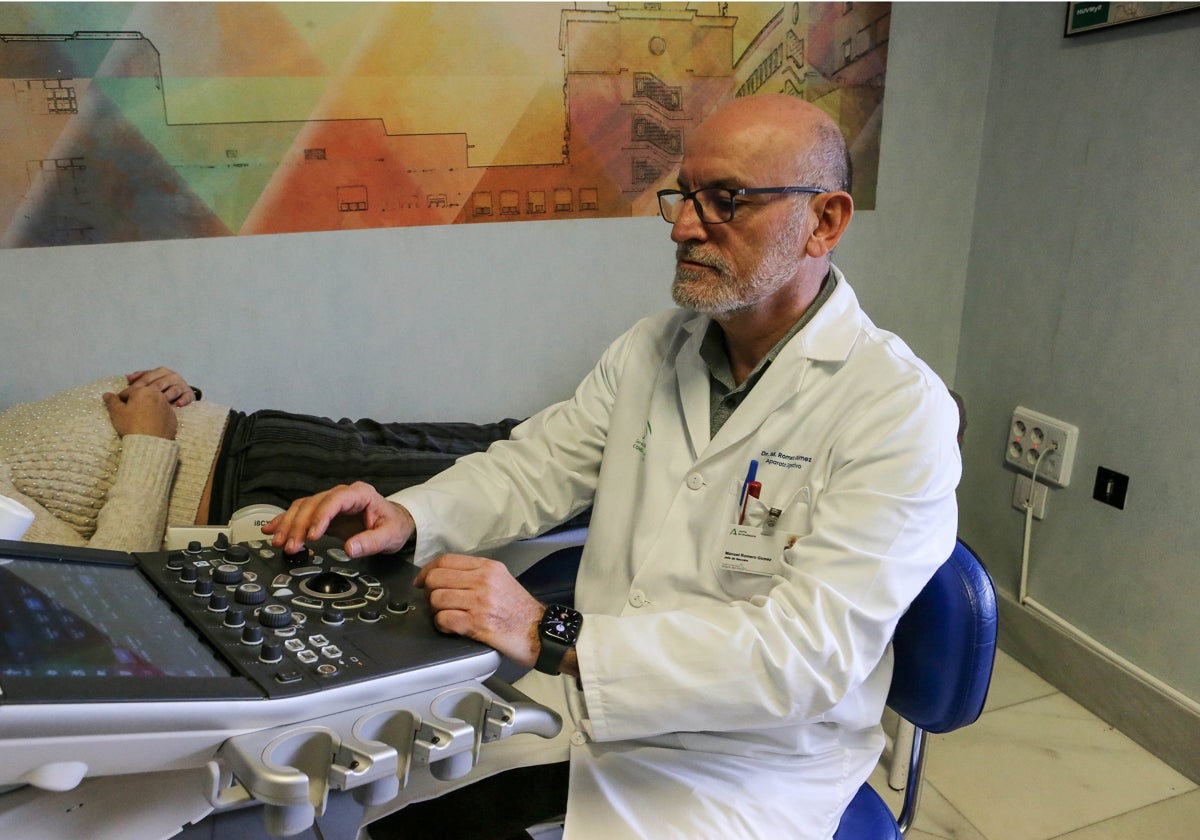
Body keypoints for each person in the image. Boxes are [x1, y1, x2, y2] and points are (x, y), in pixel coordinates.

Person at [267, 94, 962, 839]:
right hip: (585, 714)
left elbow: (803, 659)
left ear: (824, 221)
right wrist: (410, 516)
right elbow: (532, 467)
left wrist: (551, 630)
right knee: (374, 821)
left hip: (746, 767)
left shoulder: (896, 409)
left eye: (725, 200)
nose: (685, 225)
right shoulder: (652, 349)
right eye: (685, 195)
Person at [0, 368, 521, 552]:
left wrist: (172, 394)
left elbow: (84, 453)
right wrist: (152, 439)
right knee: (514, 481)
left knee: (512, 438)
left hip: (261, 432)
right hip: (255, 490)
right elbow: (106, 577)